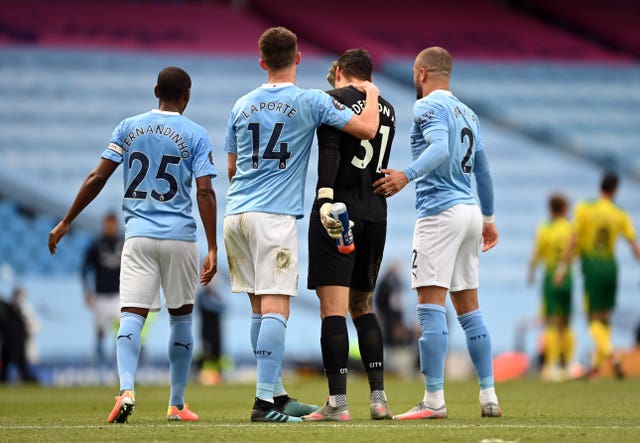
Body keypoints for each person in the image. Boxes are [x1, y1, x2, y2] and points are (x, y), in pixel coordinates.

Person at [224, 26, 380, 423]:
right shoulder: (309, 100)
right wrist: (373, 94)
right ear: (297, 58)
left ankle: (275, 394)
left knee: (259, 308)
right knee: (276, 306)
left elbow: (231, 166)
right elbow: (367, 129)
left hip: (236, 213)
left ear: (261, 62)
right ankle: (263, 404)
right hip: (273, 215)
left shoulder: (241, 104)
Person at [48, 66, 218, 423]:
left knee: (131, 315)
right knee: (182, 317)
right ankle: (177, 404)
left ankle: (126, 389)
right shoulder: (197, 134)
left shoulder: (128, 127)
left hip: (138, 236)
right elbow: (204, 189)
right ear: (187, 95)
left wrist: (66, 221)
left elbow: (97, 177)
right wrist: (213, 246)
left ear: (155, 89)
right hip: (179, 238)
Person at [373, 46, 501, 419]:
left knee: (430, 308)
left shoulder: (427, 106)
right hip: (470, 211)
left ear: (421, 72)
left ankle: (433, 399)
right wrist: (489, 218)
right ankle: (489, 395)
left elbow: (441, 148)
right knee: (469, 310)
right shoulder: (468, 112)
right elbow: (484, 171)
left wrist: (405, 175)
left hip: (439, 214)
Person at [303, 49, 395, 422]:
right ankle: (379, 399)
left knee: (333, 309)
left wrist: (324, 194)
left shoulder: (332, 100)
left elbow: (329, 151)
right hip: (376, 213)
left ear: (339, 72)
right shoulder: (386, 106)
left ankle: (338, 404)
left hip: (338, 211)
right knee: (364, 306)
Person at [554, 171, 640, 378]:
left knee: (592, 318)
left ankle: (610, 354)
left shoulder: (584, 208)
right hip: (611, 267)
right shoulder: (619, 213)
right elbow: (633, 245)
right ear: (615, 190)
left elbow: (573, 239)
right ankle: (595, 366)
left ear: (599, 186)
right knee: (606, 318)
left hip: (592, 268)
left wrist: (562, 268)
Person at [528, 194, 576, 381]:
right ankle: (570, 364)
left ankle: (551, 366)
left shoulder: (544, 228)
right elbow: (575, 251)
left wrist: (531, 272)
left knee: (551, 322)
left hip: (550, 278)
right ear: (564, 209)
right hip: (567, 278)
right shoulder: (570, 228)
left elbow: (537, 253)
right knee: (566, 322)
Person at [82, 213, 123, 376]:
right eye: (108, 224)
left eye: (112, 224)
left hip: (119, 295)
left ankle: (118, 368)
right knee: (100, 332)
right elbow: (85, 269)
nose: (110, 228)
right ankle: (100, 369)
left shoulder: (123, 243)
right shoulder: (96, 246)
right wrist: (87, 291)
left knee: (122, 332)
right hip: (100, 296)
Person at [196, 276, 226, 385]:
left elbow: (224, 306)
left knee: (217, 354)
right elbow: (214, 307)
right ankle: (199, 374)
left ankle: (218, 375)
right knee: (206, 354)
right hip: (206, 331)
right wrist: (218, 304)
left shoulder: (215, 295)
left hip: (217, 332)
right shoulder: (202, 296)